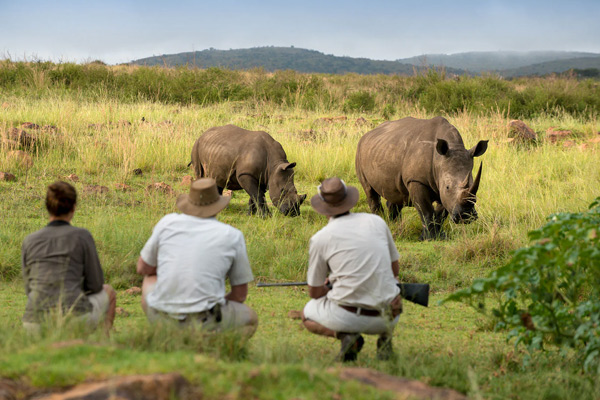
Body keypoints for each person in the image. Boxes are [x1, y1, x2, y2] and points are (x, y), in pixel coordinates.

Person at [136, 178, 258, 337]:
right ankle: (218, 347)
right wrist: (215, 302)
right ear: (218, 207)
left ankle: (164, 334)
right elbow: (240, 295)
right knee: (251, 318)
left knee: (150, 276)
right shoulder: (232, 235)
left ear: (189, 202)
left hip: (160, 315)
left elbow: (142, 268)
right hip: (205, 319)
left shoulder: (167, 223)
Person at [302, 177, 403, 362]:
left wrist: (328, 286)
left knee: (307, 315)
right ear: (349, 199)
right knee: (393, 285)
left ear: (323, 206)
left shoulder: (320, 238)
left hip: (346, 317)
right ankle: (385, 339)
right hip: (387, 317)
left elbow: (314, 293)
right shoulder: (376, 222)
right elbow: (394, 269)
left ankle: (346, 337)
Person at [21, 181, 116, 334]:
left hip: (33, 322)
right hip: (74, 318)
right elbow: (96, 284)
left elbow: (29, 288)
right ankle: (101, 346)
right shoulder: (82, 236)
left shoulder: (29, 240)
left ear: (47, 207)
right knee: (109, 291)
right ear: (73, 208)